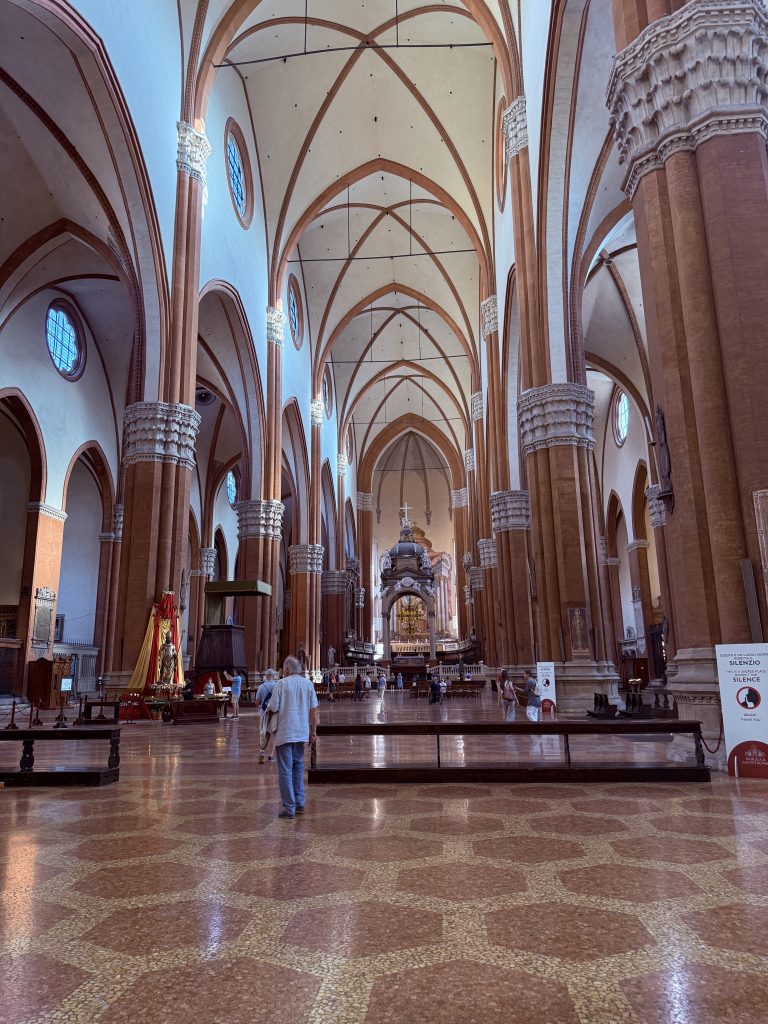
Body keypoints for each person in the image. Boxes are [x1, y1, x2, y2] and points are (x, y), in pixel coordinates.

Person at [266, 656, 319, 818]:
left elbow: (273, 707)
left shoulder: (281, 684)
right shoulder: (308, 684)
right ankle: (300, 803)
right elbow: (313, 710)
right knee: (297, 768)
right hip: (301, 733)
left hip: (285, 732)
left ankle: (289, 808)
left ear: (287, 670)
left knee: (285, 771)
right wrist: (313, 731)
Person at [255, 668, 278, 763]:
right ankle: (271, 755)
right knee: (273, 733)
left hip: (263, 712)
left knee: (263, 732)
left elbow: (257, 702)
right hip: (274, 712)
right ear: (273, 676)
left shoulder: (261, 687)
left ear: (266, 675)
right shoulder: (277, 686)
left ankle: (262, 752)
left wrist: (262, 704)